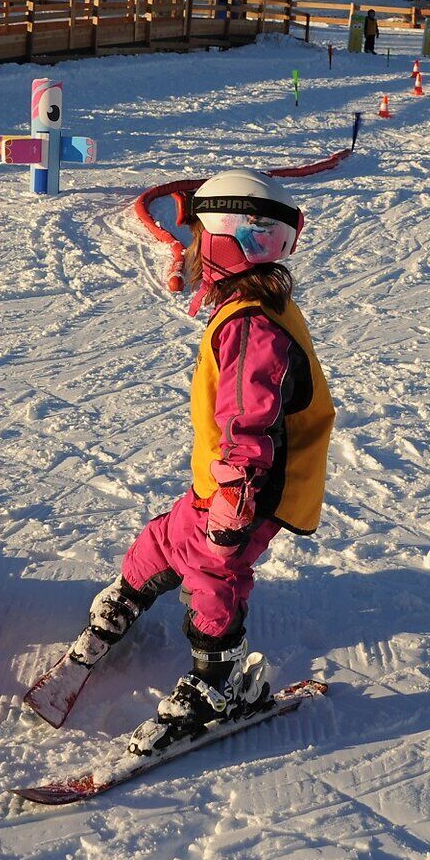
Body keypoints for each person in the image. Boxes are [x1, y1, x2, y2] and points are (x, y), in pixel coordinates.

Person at [67, 169, 333, 756]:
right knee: (163, 541)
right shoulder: (253, 306)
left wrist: (235, 502)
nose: (183, 252)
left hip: (250, 492)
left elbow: (249, 420)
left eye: (191, 240)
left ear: (219, 242)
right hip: (222, 486)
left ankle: (220, 682)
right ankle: (126, 595)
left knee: (215, 572)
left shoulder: (251, 327)